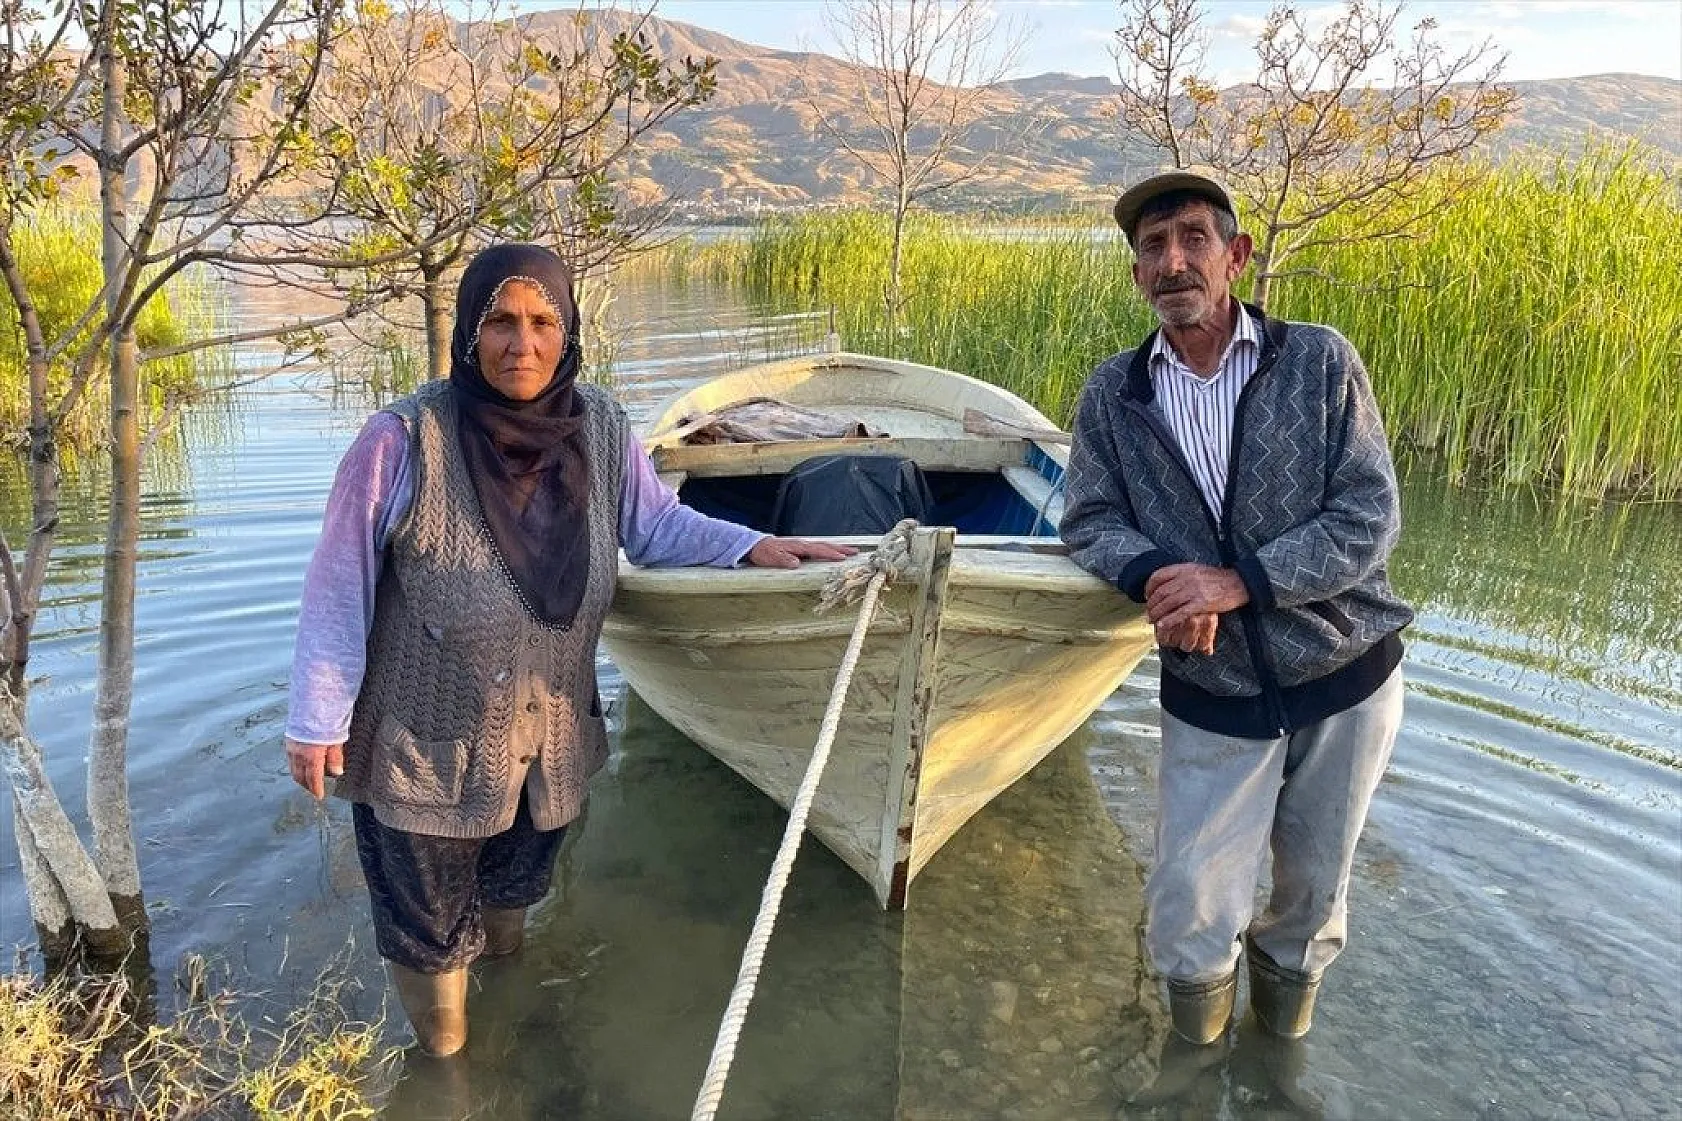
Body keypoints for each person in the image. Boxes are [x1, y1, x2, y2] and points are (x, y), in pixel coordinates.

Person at [283, 243, 851, 1057]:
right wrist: (317, 718)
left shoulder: (603, 426)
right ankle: (449, 1079)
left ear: (570, 328)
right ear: (468, 334)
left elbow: (654, 527)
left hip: (544, 747)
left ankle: (508, 1028)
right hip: (422, 752)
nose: (524, 344)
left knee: (510, 914)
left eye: (544, 321)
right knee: (431, 942)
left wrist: (753, 545)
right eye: (501, 322)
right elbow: (338, 584)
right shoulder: (403, 440)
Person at [1061, 171, 1413, 1048]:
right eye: (1152, 247)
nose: (1173, 261)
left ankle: (1279, 1074)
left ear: (1236, 255)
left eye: (1191, 238)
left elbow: (1369, 515)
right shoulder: (1114, 393)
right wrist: (1159, 578)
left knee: (1312, 905)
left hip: (1345, 678)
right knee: (1186, 911)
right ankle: (1190, 1075)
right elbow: (1088, 519)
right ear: (1137, 274)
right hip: (1210, 686)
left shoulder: (1319, 360)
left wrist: (1240, 580)